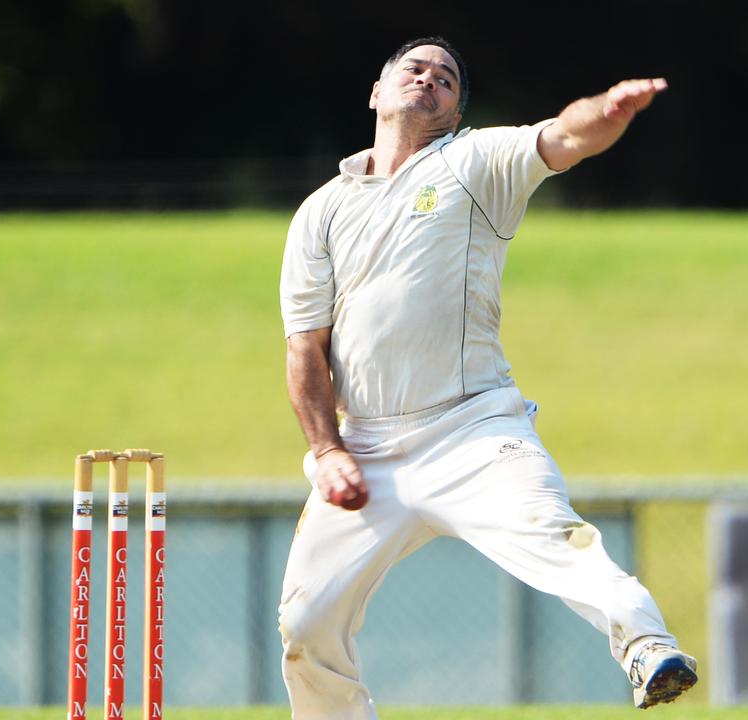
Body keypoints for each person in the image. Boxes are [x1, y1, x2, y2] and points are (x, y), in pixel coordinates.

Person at [277, 36, 697, 719]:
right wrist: (326, 451)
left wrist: (608, 111)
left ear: (454, 109)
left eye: (446, 77)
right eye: (414, 69)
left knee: (554, 537)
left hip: (473, 431)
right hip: (366, 451)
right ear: (377, 94)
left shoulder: (473, 162)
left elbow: (564, 136)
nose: (430, 78)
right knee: (305, 624)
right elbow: (305, 348)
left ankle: (647, 645)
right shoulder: (321, 210)